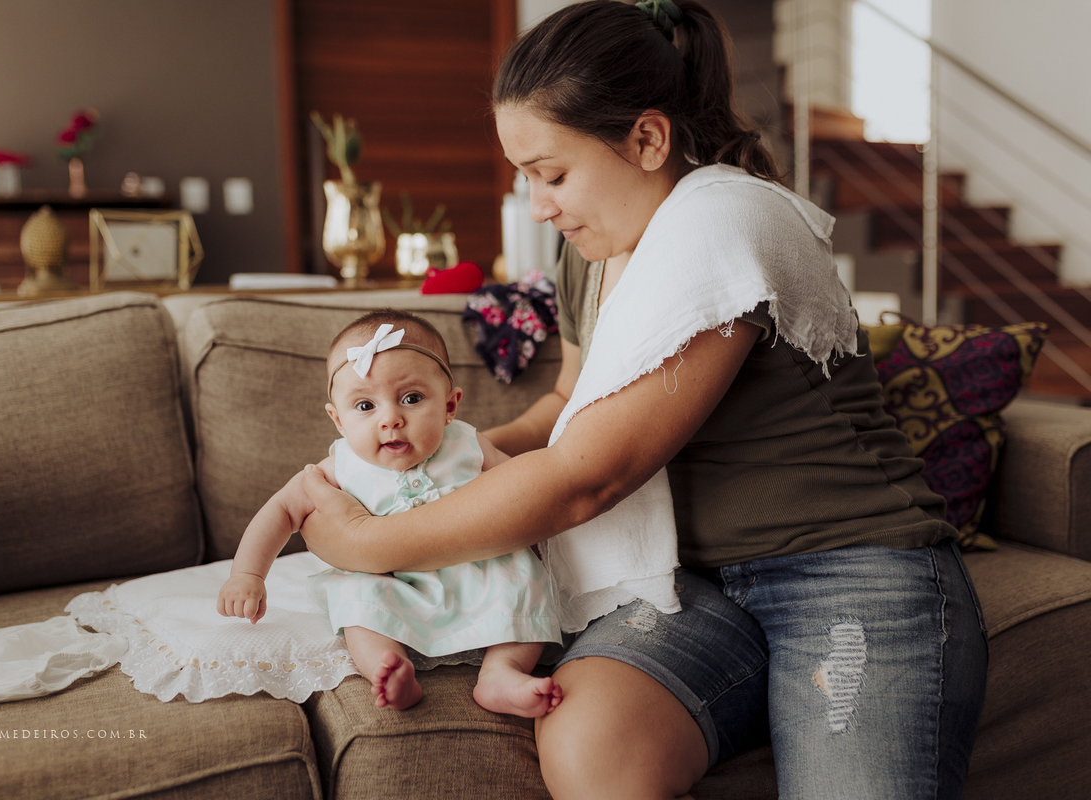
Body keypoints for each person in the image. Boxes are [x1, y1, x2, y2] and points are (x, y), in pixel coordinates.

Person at [298, 1, 988, 798]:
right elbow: (567, 402)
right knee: (591, 747)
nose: (539, 206)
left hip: (847, 571)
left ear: (648, 140)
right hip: (687, 585)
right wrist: (452, 458)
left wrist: (366, 542)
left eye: (552, 174)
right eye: (526, 178)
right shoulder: (592, 254)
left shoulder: (723, 223)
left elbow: (589, 474)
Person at [218, 309, 563, 716]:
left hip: (478, 569)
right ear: (338, 420)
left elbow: (524, 488)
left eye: (412, 399)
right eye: (365, 405)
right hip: (390, 581)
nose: (390, 419)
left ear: (450, 405)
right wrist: (248, 574)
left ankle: (501, 672)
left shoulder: (468, 443)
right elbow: (280, 511)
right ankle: (388, 666)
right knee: (358, 600)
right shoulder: (336, 468)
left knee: (522, 578)